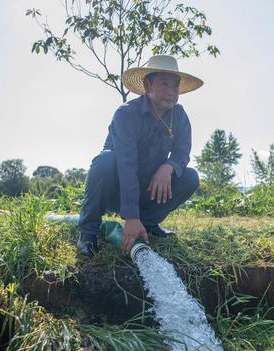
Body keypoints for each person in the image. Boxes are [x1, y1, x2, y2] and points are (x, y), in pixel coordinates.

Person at [77, 55, 202, 256]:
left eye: (175, 86)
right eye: (164, 84)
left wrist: (168, 166)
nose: (171, 92)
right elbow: (126, 166)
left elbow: (182, 153)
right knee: (105, 161)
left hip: (149, 187)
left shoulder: (178, 115)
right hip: (117, 189)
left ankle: (148, 222)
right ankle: (88, 232)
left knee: (189, 176)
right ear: (147, 84)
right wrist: (131, 216)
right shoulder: (126, 114)